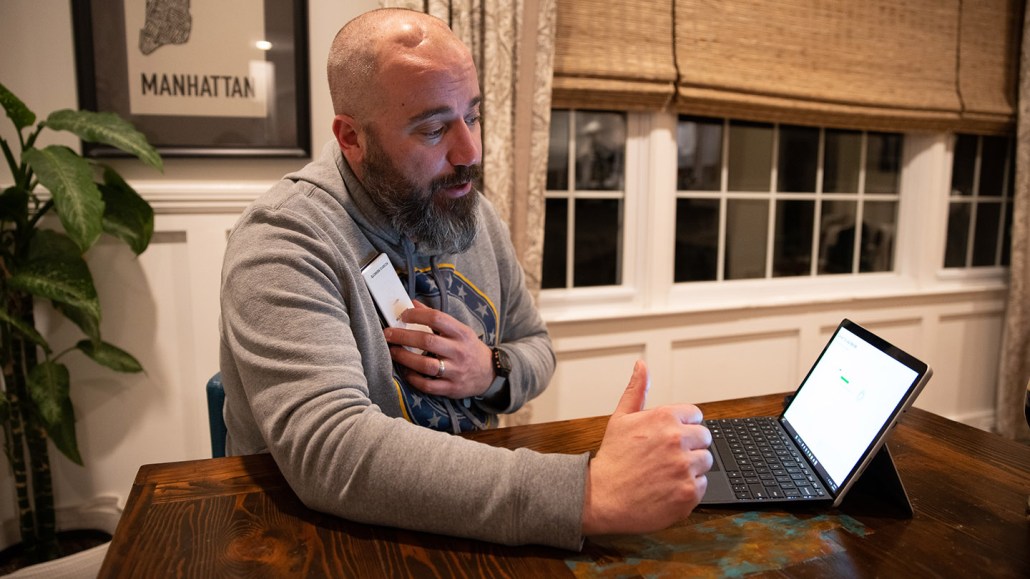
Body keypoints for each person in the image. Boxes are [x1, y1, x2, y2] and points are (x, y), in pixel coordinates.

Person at [219, 7, 712, 550]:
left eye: (472, 117)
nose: (470, 152)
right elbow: (331, 450)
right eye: (434, 130)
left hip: (473, 527)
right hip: (325, 545)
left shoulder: (469, 211)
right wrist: (586, 494)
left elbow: (536, 347)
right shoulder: (283, 241)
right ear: (352, 138)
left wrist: (491, 369)